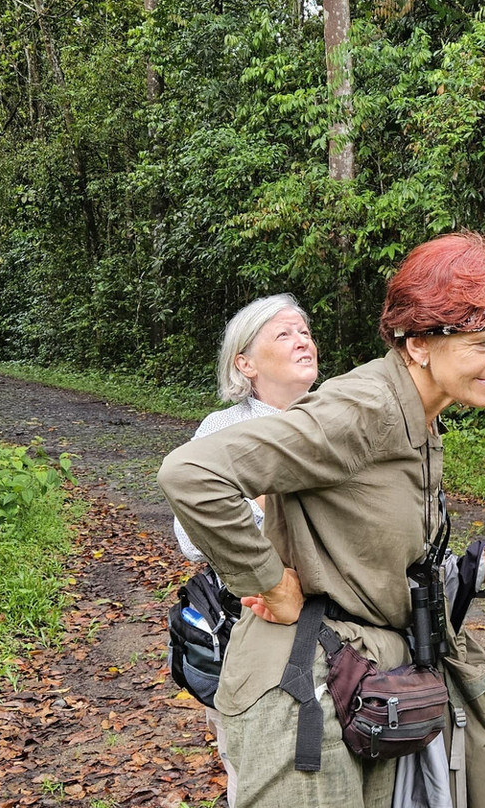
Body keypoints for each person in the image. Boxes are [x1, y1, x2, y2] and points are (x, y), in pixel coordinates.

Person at [158, 231, 485, 808]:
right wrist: (264, 579)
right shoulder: (364, 408)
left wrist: (475, 568)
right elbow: (192, 473)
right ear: (418, 343)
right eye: (484, 342)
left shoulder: (421, 418)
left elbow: (378, 561)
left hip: (364, 686)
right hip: (303, 691)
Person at [173, 292, 320, 807]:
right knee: (255, 764)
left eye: (304, 331)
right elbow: (191, 538)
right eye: (284, 333)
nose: (303, 339)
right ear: (246, 364)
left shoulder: (333, 421)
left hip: (333, 628)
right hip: (247, 624)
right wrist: (265, 507)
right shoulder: (223, 429)